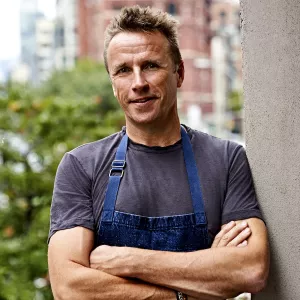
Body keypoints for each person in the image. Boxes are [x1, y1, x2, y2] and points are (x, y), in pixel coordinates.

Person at [48, 5, 269, 300]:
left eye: (151, 65)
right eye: (124, 70)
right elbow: (69, 287)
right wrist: (191, 292)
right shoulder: (81, 166)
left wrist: (127, 261)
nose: (138, 83)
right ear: (113, 85)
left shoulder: (227, 159)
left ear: (179, 73)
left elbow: (250, 269)